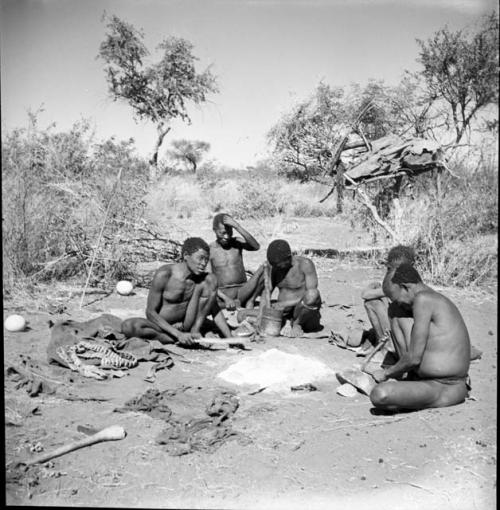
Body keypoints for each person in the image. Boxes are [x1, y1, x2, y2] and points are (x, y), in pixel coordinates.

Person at [367, 263, 471, 411]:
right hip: (436, 383)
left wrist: (386, 373)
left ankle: (415, 393)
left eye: (397, 299)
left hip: (446, 386)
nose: (399, 304)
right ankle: (412, 388)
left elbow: (414, 358)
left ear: (405, 287)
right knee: (396, 313)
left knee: (380, 394)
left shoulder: (424, 300)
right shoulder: (430, 298)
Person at [121, 237, 231, 346]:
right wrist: (177, 334)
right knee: (129, 326)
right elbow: (150, 312)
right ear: (186, 256)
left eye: (206, 260)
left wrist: (230, 339)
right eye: (200, 258)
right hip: (162, 326)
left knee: (211, 280)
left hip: (187, 326)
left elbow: (214, 308)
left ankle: (193, 332)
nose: (204, 263)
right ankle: (173, 339)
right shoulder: (165, 274)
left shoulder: (201, 279)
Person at [239, 239, 322, 337]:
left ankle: (297, 324)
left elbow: (311, 295)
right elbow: (267, 292)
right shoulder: (274, 267)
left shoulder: (305, 265)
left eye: (278, 265)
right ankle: (284, 322)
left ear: (288, 258)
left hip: (301, 312)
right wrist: (261, 315)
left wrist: (284, 303)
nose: (275, 268)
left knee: (313, 294)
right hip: (281, 312)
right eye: (273, 265)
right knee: (241, 315)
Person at [209, 213, 262, 310]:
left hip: (243, 291)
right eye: (223, 233)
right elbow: (209, 281)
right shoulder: (210, 250)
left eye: (230, 232)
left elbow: (256, 247)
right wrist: (226, 299)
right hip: (223, 294)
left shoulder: (237, 242)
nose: (227, 236)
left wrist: (237, 226)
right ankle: (233, 304)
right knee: (207, 300)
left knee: (264, 269)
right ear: (215, 230)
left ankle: (248, 300)